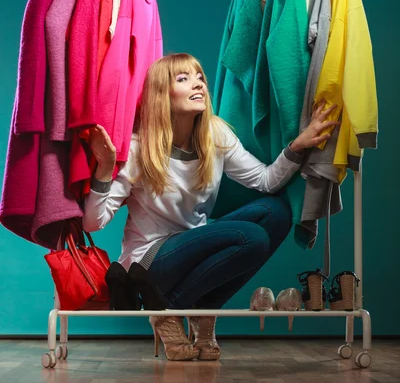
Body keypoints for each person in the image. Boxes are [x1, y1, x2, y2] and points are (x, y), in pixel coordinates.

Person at [83, 53, 339, 362]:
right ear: (161, 94)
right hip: (151, 262)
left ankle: (198, 314)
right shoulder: (141, 147)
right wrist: (105, 169)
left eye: (200, 77)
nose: (198, 84)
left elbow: (266, 181)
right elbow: (93, 223)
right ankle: (168, 312)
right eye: (184, 79)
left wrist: (299, 145)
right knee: (252, 238)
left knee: (276, 213)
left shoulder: (215, 135)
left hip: (196, 253)